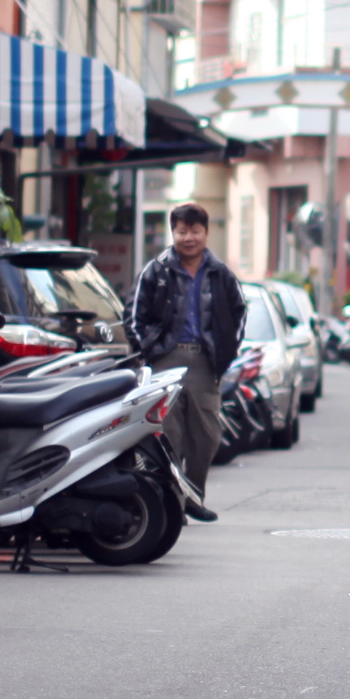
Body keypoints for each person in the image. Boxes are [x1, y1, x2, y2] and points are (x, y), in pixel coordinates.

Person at [128, 202, 244, 500]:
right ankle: (171, 502)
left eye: (195, 231)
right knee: (168, 434)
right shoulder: (156, 270)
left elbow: (238, 315)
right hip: (167, 359)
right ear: (173, 233)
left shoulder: (221, 274)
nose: (188, 238)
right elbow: (134, 316)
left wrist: (225, 354)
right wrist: (148, 354)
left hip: (206, 363)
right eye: (182, 232)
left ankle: (195, 495)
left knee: (207, 435)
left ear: (206, 233)